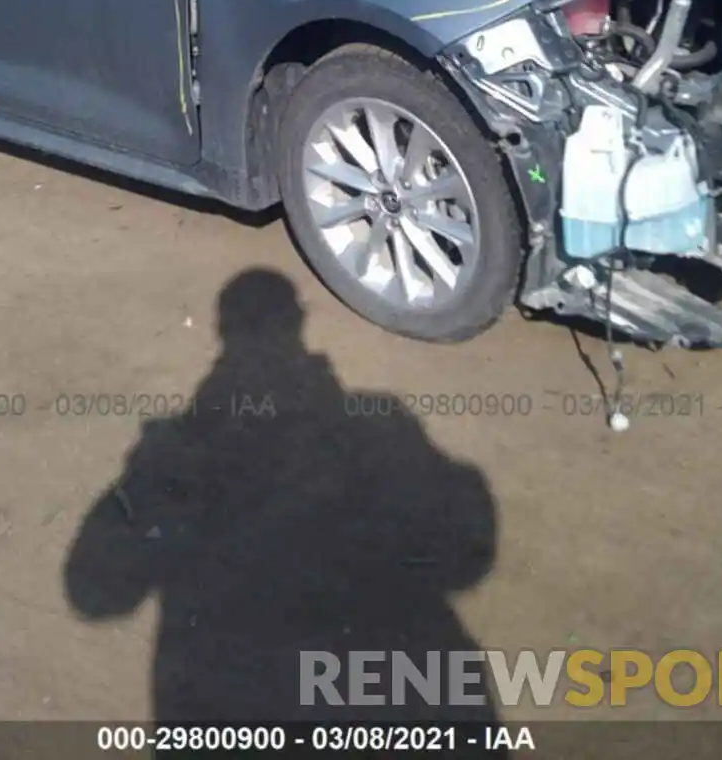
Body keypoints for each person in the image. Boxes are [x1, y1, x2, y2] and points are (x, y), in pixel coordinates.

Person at [64, 268, 500, 726]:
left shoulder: (180, 451)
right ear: (297, 321)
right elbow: (469, 551)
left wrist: (144, 478)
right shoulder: (380, 424)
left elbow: (94, 594)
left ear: (224, 330)